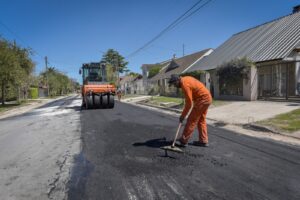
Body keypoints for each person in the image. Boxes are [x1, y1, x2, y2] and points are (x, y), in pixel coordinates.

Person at [168, 74, 212, 147]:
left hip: (202, 100)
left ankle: (183, 141)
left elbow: (189, 103)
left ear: (178, 80)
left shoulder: (185, 85)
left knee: (191, 120)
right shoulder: (186, 78)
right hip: (207, 98)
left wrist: (183, 116)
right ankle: (203, 141)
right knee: (201, 120)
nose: (175, 86)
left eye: (174, 84)